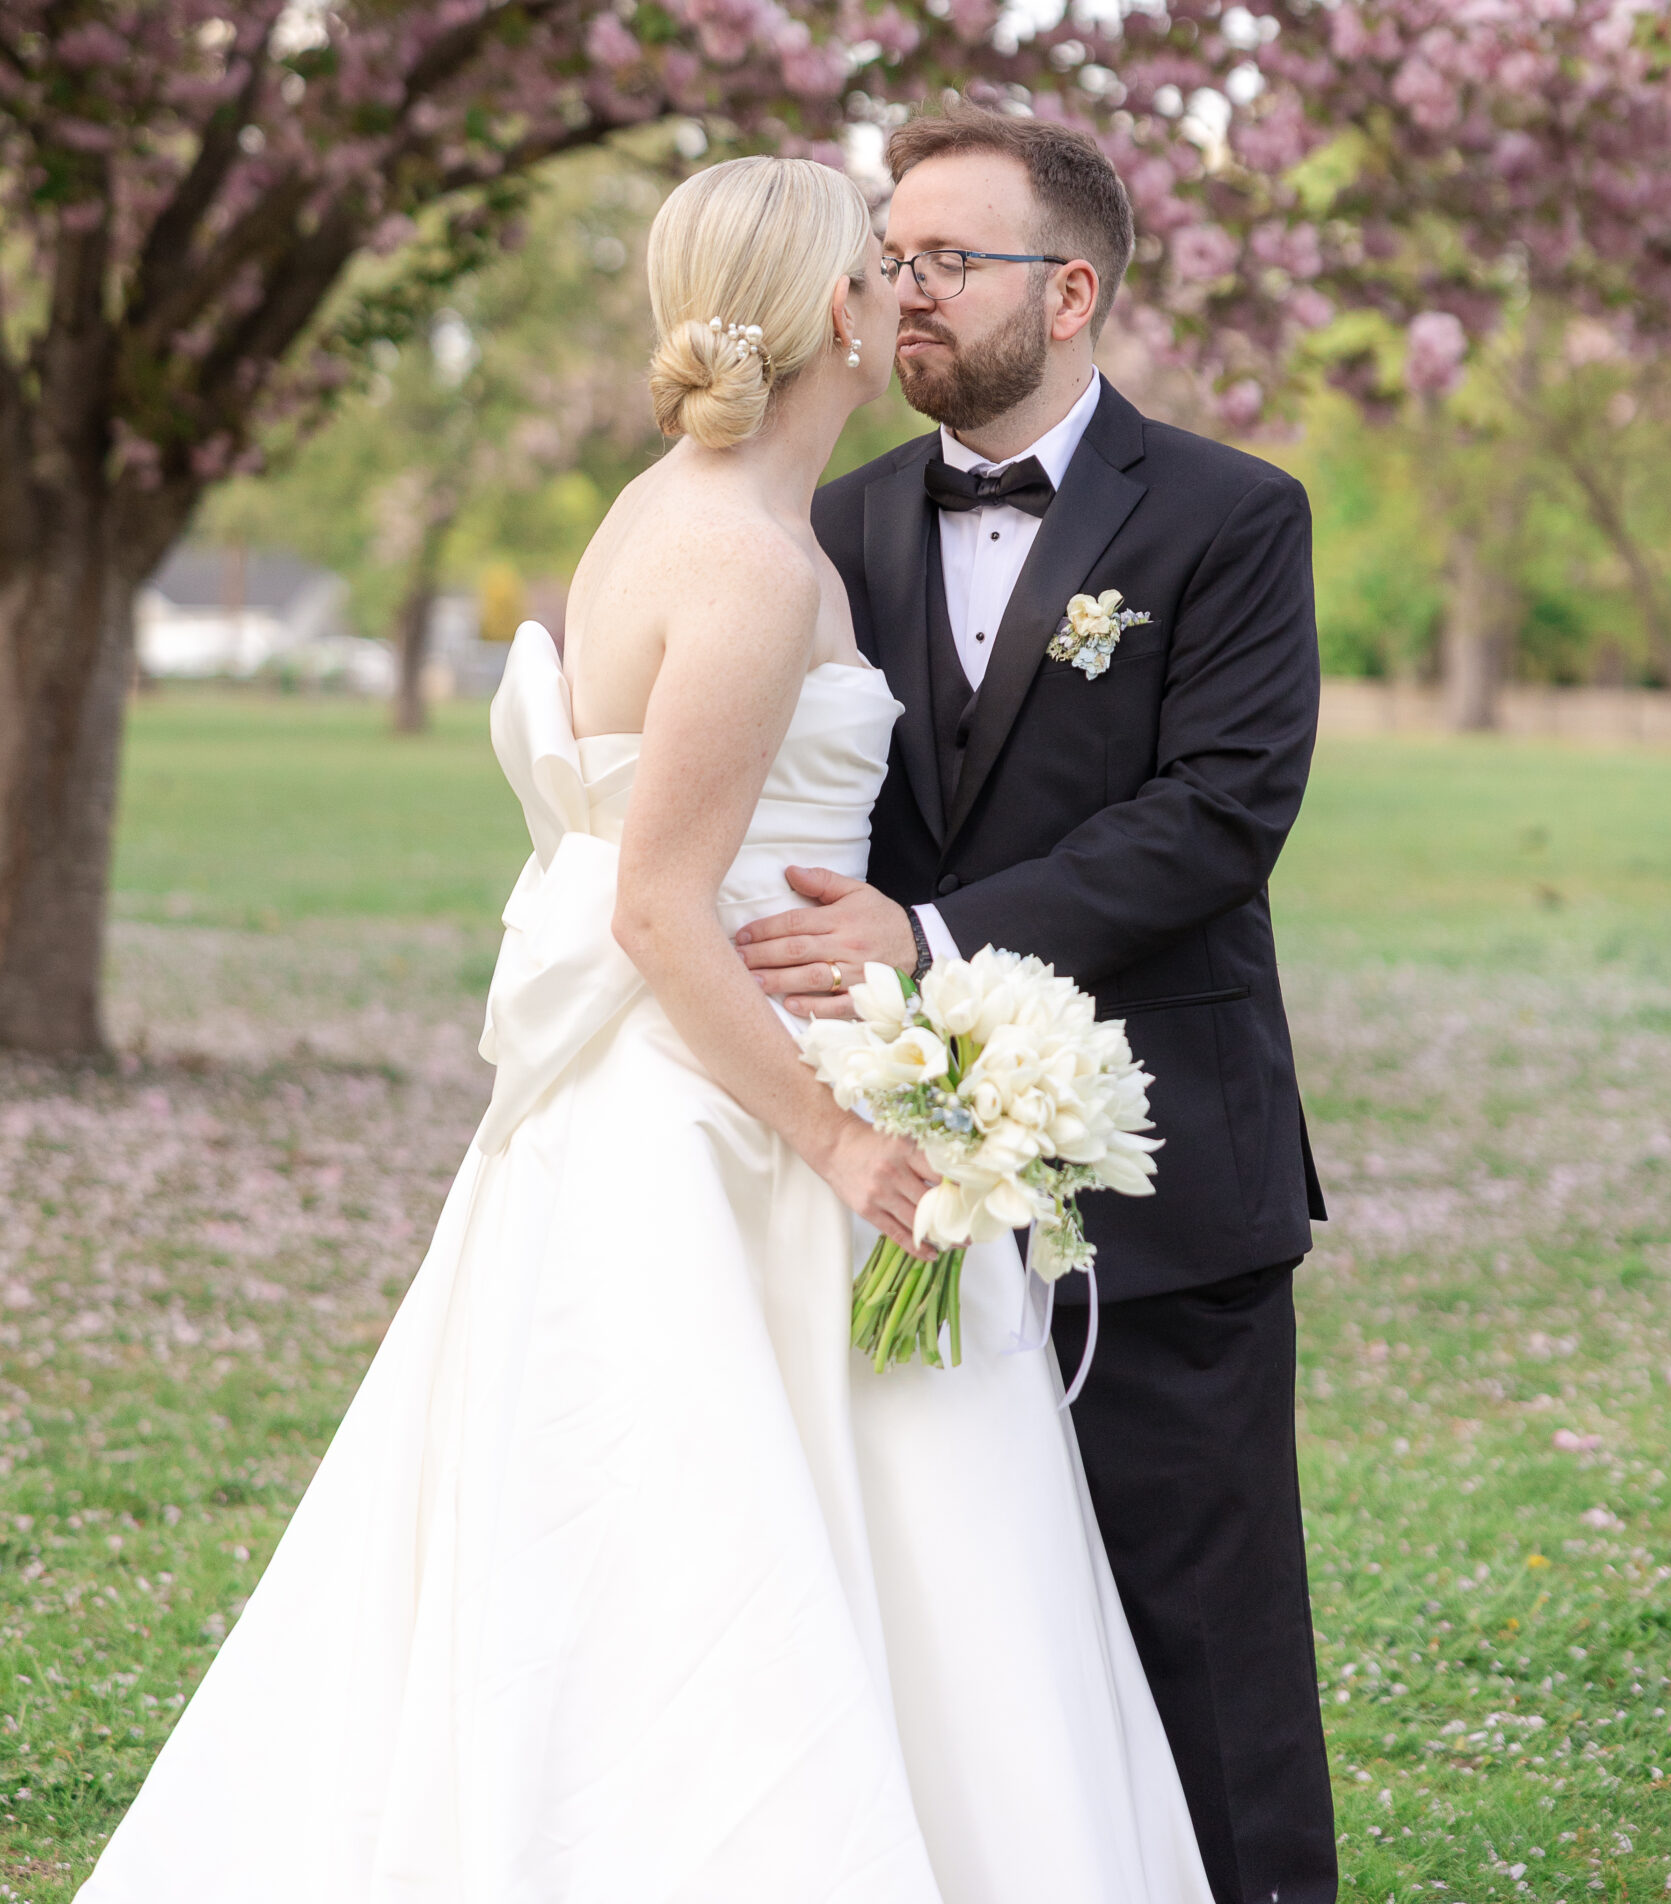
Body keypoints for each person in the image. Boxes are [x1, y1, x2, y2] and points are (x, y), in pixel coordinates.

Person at [76, 155, 1213, 1904]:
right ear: (834, 312)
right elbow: (661, 907)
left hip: (659, 1086)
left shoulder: (670, 512)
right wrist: (840, 1139)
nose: (906, 292)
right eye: (883, 268)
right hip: (723, 1119)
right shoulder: (748, 564)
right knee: (723, 1546)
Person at [734, 107, 1338, 1904]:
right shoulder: (829, 522)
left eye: (946, 260)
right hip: (900, 1177)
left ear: (1069, 293)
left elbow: (1221, 814)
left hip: (1158, 1158)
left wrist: (931, 935)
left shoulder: (1233, 515)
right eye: (891, 257)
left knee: (1205, 1631)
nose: (900, 290)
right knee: (961, 1630)